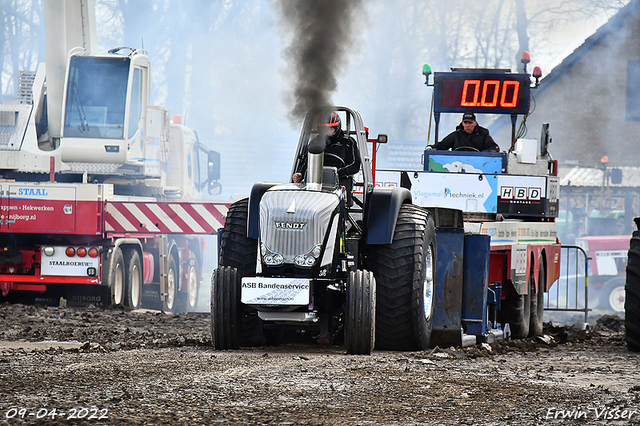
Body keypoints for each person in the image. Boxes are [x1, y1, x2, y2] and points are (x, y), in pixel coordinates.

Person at [292, 112, 361, 186]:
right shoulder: (315, 142)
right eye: (323, 129)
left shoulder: (348, 142)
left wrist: (337, 173)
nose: (326, 132)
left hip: (341, 179)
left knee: (344, 187)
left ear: (337, 128)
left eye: (329, 129)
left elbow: (355, 165)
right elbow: (306, 161)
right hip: (316, 180)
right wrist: (300, 174)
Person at [428, 112, 499, 152]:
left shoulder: (483, 134)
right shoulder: (456, 135)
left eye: (470, 123)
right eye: (465, 123)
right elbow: (443, 145)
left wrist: (483, 154)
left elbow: (494, 147)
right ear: (462, 123)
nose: (467, 125)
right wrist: (431, 147)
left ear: (475, 123)